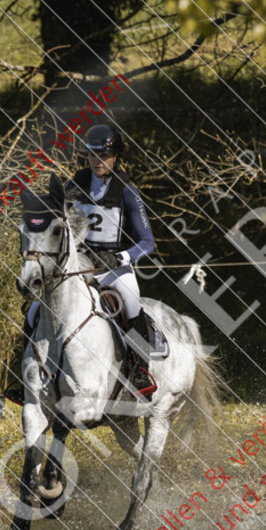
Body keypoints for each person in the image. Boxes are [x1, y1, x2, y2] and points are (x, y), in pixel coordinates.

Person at [64, 123, 156, 396]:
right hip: (78, 265)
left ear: (116, 157)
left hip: (113, 267)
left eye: (104, 156)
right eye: (93, 155)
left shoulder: (127, 190)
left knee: (130, 298)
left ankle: (140, 370)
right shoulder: (75, 183)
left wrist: (121, 257)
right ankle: (30, 371)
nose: (98, 161)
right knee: (36, 308)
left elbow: (148, 242)